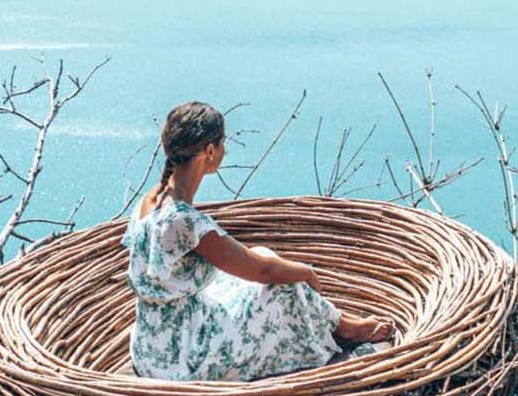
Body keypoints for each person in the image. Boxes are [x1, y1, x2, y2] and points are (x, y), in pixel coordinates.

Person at [122, 101, 393, 381]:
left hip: (152, 345)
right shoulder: (183, 221)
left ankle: (337, 322)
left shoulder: (152, 199)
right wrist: (307, 272)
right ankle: (344, 329)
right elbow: (264, 271)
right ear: (210, 150)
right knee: (286, 285)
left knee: (265, 254)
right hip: (184, 358)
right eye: (223, 143)